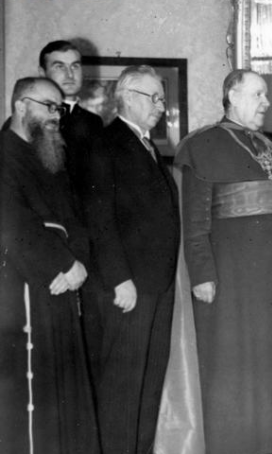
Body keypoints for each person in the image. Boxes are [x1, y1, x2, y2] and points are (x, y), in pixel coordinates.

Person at [176, 69, 272, 453]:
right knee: (234, 369)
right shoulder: (202, 145)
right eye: (258, 95)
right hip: (231, 281)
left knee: (271, 369)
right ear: (232, 95)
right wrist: (202, 275)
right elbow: (195, 219)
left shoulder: (267, 144)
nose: (266, 103)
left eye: (267, 96)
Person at [82, 65, 180, 454]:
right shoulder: (105, 144)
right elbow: (99, 217)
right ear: (127, 97)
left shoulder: (146, 145)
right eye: (154, 98)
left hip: (157, 285)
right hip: (129, 289)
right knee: (122, 390)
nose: (161, 107)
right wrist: (120, 279)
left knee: (148, 385)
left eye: (162, 98)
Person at [0, 77, 99, 453]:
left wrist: (80, 265)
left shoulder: (51, 156)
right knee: (32, 398)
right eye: (48, 106)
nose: (56, 116)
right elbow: (11, 222)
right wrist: (61, 264)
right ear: (21, 105)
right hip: (25, 287)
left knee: (63, 397)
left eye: (59, 108)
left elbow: (77, 218)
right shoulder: (4, 153)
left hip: (61, 285)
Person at [39, 40, 104, 193]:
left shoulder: (94, 122)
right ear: (42, 73)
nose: (69, 74)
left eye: (75, 66)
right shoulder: (32, 119)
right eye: (59, 66)